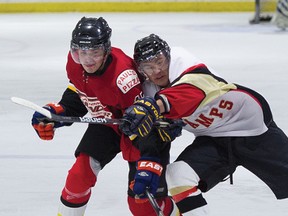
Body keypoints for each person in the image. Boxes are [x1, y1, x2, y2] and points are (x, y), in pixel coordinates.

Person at [120, 34, 288, 215]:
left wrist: (156, 106)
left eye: (160, 62)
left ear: (168, 56)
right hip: (213, 139)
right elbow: (150, 130)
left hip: (250, 126)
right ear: (141, 70)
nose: (157, 70)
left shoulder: (183, 61)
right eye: (149, 67)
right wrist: (149, 161)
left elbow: (192, 91)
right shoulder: (149, 91)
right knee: (178, 175)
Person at [31, 18, 179, 216]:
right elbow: (81, 89)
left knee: (141, 204)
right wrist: (60, 111)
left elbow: (145, 123)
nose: (88, 60)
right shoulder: (75, 63)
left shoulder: (124, 79)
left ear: (106, 50)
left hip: (143, 132)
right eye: (82, 52)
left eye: (95, 52)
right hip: (110, 123)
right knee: (78, 178)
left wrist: (150, 159)